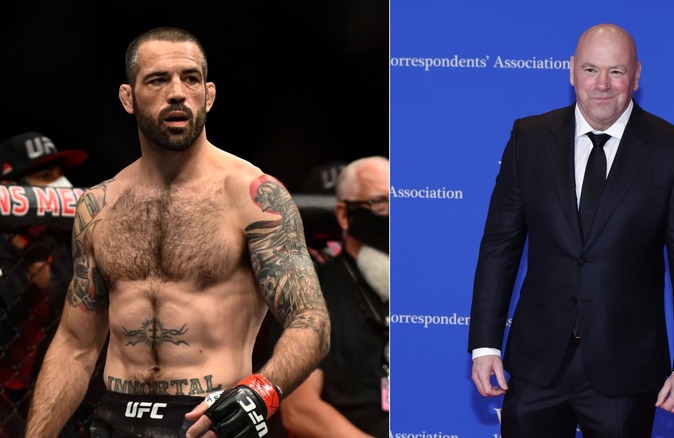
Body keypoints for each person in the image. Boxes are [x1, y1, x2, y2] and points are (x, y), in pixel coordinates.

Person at [24, 26, 331, 438]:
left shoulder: (252, 195)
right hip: (113, 418)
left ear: (209, 95)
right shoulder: (100, 205)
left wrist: (261, 391)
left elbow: (311, 319)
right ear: (128, 98)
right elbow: (76, 345)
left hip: (209, 418)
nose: (177, 92)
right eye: (157, 79)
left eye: (190, 78)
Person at [468, 23, 674, 438]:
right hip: (535, 364)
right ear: (571, 72)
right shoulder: (529, 138)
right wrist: (485, 344)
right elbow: (499, 247)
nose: (602, 85)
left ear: (636, 76)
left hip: (626, 368)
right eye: (590, 69)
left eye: (616, 71)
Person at [274, 156, 389, 437]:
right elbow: (299, 409)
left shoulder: (431, 290)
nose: (392, 214)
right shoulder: (311, 293)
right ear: (343, 215)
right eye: (380, 203)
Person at [0, 131, 88, 436]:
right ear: (11, 188)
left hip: (39, 390)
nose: (61, 187)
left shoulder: (63, 246)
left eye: (61, 175)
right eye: (46, 176)